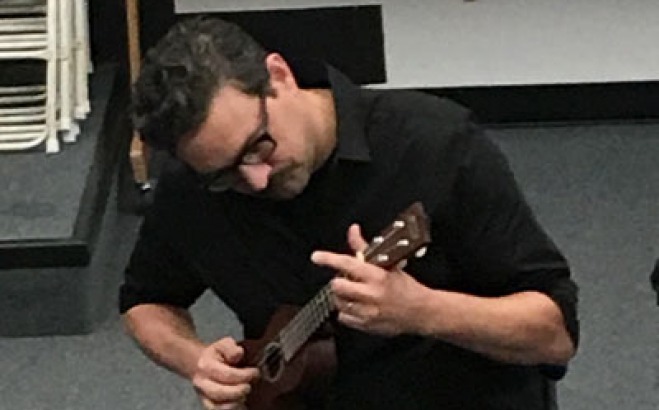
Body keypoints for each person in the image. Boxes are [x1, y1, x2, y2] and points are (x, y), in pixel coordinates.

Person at [119, 16, 579, 410]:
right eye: (227, 176)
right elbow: (145, 301)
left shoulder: (436, 147)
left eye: (258, 147)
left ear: (278, 76)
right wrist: (194, 358)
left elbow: (553, 334)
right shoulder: (194, 186)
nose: (255, 180)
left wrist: (424, 311)